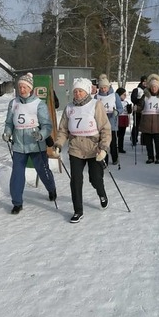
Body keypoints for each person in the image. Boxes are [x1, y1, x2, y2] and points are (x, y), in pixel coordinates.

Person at [53, 78, 111, 223]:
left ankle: (102, 194)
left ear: (86, 91)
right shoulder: (69, 108)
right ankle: (78, 211)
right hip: (76, 149)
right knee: (76, 181)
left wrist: (103, 148)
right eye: (75, 91)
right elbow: (63, 130)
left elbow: (105, 128)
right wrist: (58, 145)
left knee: (95, 178)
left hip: (94, 149)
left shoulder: (95, 105)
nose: (77, 94)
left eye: (80, 91)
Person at [2, 72, 57, 214]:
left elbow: (47, 125)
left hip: (35, 144)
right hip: (19, 144)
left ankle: (51, 189)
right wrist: (7, 132)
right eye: (20, 87)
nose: (22, 90)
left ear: (30, 88)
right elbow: (9, 122)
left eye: (24, 87)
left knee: (43, 171)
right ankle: (17, 203)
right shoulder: (13, 103)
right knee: (17, 174)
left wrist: (41, 135)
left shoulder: (39, 104)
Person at [137, 73, 159, 164]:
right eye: (152, 87)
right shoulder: (145, 96)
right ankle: (150, 157)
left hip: (157, 121)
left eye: (155, 87)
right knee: (148, 142)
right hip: (146, 121)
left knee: (157, 141)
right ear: (150, 87)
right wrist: (136, 108)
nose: (154, 88)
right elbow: (140, 106)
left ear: (158, 87)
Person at [96, 74, 123, 165]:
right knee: (103, 143)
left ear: (108, 87)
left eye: (105, 88)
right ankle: (104, 161)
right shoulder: (97, 97)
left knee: (112, 143)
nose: (103, 90)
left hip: (112, 122)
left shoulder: (115, 95)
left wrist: (117, 112)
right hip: (101, 123)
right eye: (101, 88)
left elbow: (120, 108)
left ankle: (115, 158)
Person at [130, 75, 147, 146]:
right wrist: (140, 101)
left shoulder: (148, 90)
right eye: (144, 81)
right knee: (136, 125)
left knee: (145, 126)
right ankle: (134, 139)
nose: (145, 83)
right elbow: (133, 99)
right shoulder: (137, 90)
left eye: (146, 82)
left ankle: (143, 140)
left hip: (145, 110)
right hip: (137, 110)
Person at [116, 87, 132, 154]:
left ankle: (120, 147)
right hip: (118, 119)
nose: (125, 96)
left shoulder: (126, 102)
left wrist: (130, 109)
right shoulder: (116, 102)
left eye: (125, 95)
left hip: (124, 119)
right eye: (123, 94)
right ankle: (116, 146)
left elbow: (129, 112)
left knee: (122, 135)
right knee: (117, 134)